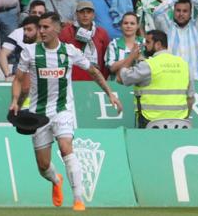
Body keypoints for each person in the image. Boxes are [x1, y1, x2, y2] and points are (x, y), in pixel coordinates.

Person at [9, 12, 122, 211]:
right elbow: (18, 79)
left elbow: (94, 71)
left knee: (65, 147)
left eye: (45, 27)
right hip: (38, 114)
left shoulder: (70, 51)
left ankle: (78, 198)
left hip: (63, 109)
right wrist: (15, 101)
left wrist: (110, 93)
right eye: (40, 27)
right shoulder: (30, 51)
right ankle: (56, 180)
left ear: (57, 29)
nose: (41, 31)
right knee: (43, 167)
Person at [116, 29, 194, 127]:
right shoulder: (184, 65)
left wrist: (131, 56)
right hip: (179, 123)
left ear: (158, 45)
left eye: (148, 42)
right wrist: (184, 117)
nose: (145, 45)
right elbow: (190, 98)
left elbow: (120, 78)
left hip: (151, 123)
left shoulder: (149, 65)